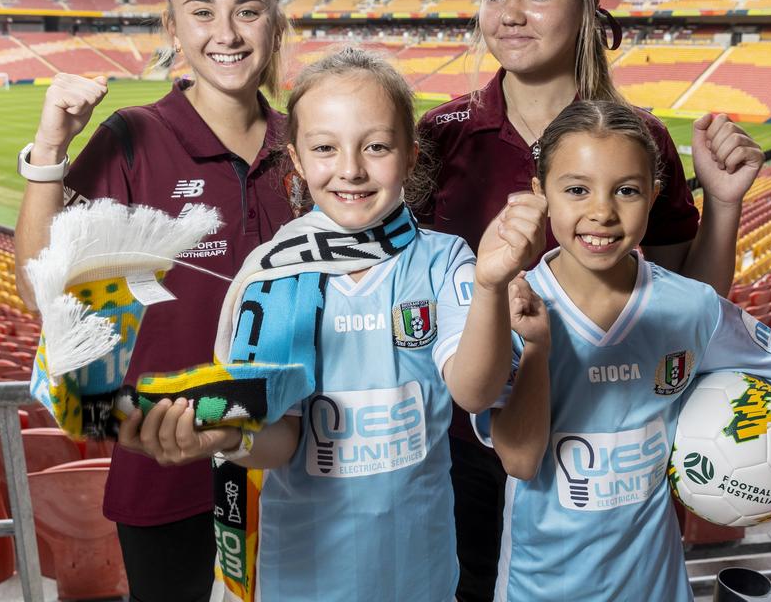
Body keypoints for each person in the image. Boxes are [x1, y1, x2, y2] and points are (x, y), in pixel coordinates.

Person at [416, 0, 767, 602]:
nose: (511, 14)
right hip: (461, 448)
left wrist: (724, 205)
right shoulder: (437, 137)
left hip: (610, 449)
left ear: (586, 3)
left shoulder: (640, 138)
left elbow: (686, 299)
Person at [118, 46, 547, 601]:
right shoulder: (275, 275)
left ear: (412, 157)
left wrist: (490, 285)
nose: (351, 169)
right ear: (296, 160)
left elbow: (474, 391)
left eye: (376, 146)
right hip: (304, 580)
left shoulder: (446, 261)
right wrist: (229, 434)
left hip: (423, 577)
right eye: (325, 148)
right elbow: (278, 439)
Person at [14, 0, 293, 602]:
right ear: (174, 27)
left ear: (275, 23)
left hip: (293, 464)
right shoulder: (135, 136)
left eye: (247, 10)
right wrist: (49, 152)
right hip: (165, 465)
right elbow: (42, 294)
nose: (225, 33)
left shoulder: (307, 145)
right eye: (202, 12)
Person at [476, 99, 771, 601]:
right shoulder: (515, 305)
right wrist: (537, 346)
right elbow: (518, 459)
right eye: (576, 189)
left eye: (626, 190)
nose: (601, 211)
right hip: (541, 586)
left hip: (657, 585)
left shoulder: (689, 306)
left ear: (653, 196)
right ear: (541, 195)